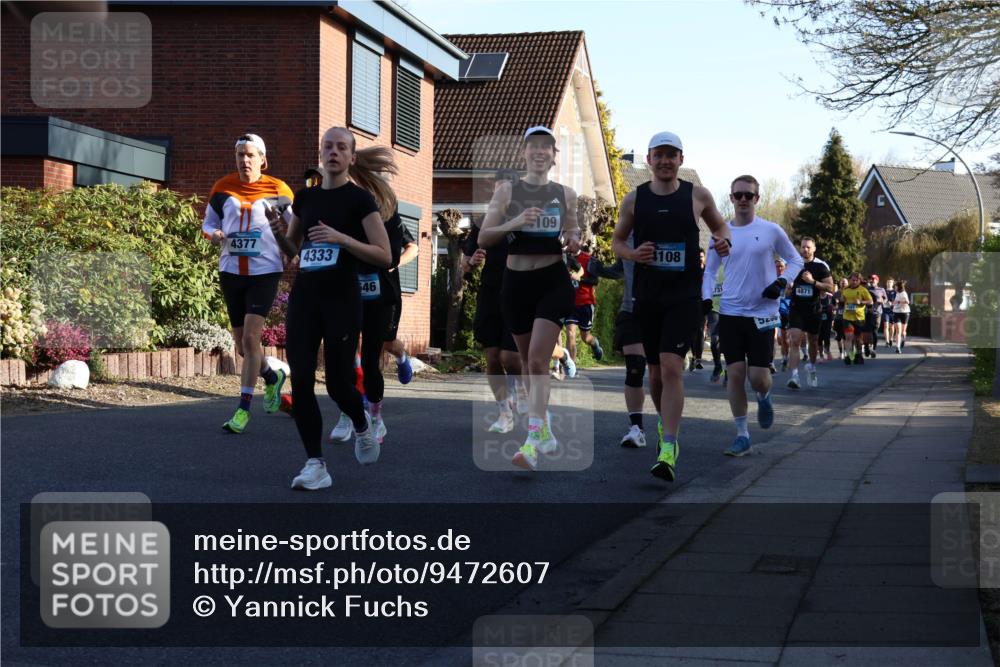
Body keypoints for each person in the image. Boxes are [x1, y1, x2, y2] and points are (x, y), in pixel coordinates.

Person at [268, 127, 391, 490]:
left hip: (342, 299)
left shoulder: (360, 201)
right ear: (321, 154)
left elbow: (384, 256)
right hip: (305, 297)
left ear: (352, 158)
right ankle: (315, 464)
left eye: (341, 147)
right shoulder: (305, 200)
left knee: (339, 384)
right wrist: (279, 231)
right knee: (302, 380)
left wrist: (342, 239)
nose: (333, 151)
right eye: (328, 146)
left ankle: (362, 423)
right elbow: (294, 253)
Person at [612, 131, 732, 482]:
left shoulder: (697, 195)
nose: (665, 161)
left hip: (684, 296)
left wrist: (723, 241)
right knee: (655, 374)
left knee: (671, 367)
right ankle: (666, 426)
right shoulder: (634, 199)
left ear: (681, 159)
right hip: (647, 297)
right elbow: (618, 241)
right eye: (659, 155)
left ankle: (669, 445)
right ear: (648, 159)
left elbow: (720, 226)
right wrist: (633, 254)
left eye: (672, 155)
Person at [478, 126, 581, 471]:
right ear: (524, 153)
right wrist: (517, 221)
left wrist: (573, 238)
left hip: (552, 281)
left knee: (536, 361)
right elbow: (484, 237)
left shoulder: (566, 193)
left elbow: (573, 230)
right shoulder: (508, 191)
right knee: (524, 364)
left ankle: (532, 441)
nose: (540, 152)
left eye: (546, 148)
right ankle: (547, 429)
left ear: (554, 156)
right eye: (533, 147)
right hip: (515, 284)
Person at [703, 175, 803, 457]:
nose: (743, 200)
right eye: (738, 195)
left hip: (763, 313)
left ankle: (764, 395)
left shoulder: (771, 230)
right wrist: (705, 299)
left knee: (758, 377)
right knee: (734, 374)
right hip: (731, 313)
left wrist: (783, 283)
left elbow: (796, 260)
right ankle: (742, 435)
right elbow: (709, 272)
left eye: (749, 195)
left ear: (757, 199)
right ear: (731, 198)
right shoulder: (720, 233)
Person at [202, 133, 292, 434]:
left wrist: (288, 235)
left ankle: (242, 409)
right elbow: (208, 223)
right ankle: (271, 377)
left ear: (262, 160)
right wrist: (212, 234)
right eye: (240, 155)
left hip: (265, 271)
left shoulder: (278, 189)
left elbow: (295, 228)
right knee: (241, 347)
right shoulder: (222, 187)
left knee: (252, 339)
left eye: (250, 155)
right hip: (231, 271)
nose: (244, 160)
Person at [462, 172, 525, 433]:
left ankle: (522, 390)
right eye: (498, 191)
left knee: (510, 357)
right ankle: (504, 412)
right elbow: (464, 264)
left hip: (519, 293)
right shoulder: (482, 223)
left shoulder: (525, 222)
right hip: (489, 293)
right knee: (491, 356)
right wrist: (471, 263)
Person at [785, 237, 834, 389]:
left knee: (813, 341)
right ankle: (794, 376)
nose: (805, 250)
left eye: (808, 247)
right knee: (794, 340)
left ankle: (811, 367)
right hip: (796, 309)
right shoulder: (793, 265)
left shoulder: (820, 267)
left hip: (813, 310)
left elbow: (831, 288)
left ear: (814, 249)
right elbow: (786, 292)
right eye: (803, 247)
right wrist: (789, 287)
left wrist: (813, 282)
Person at [564, 241, 605, 368]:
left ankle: (594, 344)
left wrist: (579, 279)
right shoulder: (562, 258)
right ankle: (572, 366)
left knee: (585, 337)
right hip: (570, 303)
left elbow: (595, 281)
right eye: (567, 242)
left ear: (579, 242)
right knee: (570, 333)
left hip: (586, 303)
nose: (568, 245)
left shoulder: (589, 259)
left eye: (571, 242)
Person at [839, 272, 873, 365]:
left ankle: (858, 354)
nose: (853, 282)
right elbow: (842, 299)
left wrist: (861, 301)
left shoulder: (863, 290)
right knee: (849, 337)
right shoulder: (845, 289)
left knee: (858, 339)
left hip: (859, 318)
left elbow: (870, 301)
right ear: (849, 280)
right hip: (847, 317)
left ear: (859, 281)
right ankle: (850, 355)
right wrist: (842, 300)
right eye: (852, 280)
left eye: (856, 280)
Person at [688, 248, 709, 372]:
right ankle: (694, 356)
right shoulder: (691, 271)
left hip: (703, 302)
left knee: (700, 331)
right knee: (692, 331)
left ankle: (698, 359)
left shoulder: (708, 271)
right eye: (698, 256)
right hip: (691, 302)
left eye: (701, 256)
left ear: (704, 258)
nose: (700, 258)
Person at [864, 274, 887, 357]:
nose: (872, 280)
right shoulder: (866, 289)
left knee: (874, 331)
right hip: (867, 313)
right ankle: (866, 347)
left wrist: (882, 301)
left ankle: (874, 348)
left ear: (877, 281)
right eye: (871, 279)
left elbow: (885, 299)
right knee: (866, 331)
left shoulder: (881, 289)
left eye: (874, 279)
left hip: (877, 313)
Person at [892, 279, 911, 352]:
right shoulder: (896, 293)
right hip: (896, 313)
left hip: (905, 313)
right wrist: (893, 303)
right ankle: (898, 347)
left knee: (903, 331)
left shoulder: (903, 293)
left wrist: (898, 302)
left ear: (899, 287)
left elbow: (907, 302)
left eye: (895, 286)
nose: (894, 288)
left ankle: (903, 339)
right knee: (898, 330)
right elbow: (895, 302)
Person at [832, 277, 848, 358]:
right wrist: (835, 308)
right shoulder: (836, 293)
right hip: (838, 317)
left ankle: (845, 352)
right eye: (842, 282)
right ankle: (840, 352)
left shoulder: (849, 292)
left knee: (846, 336)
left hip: (847, 317)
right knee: (838, 337)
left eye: (845, 282)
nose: (843, 283)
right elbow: (833, 305)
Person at [882, 277, 897, 348]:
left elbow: (897, 301)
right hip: (885, 311)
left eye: (890, 282)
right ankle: (887, 342)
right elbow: (880, 299)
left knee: (892, 327)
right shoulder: (883, 291)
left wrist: (892, 303)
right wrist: (884, 301)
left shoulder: (895, 292)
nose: (889, 283)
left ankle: (891, 339)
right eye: (888, 282)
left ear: (893, 283)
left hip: (893, 311)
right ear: (886, 283)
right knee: (886, 326)